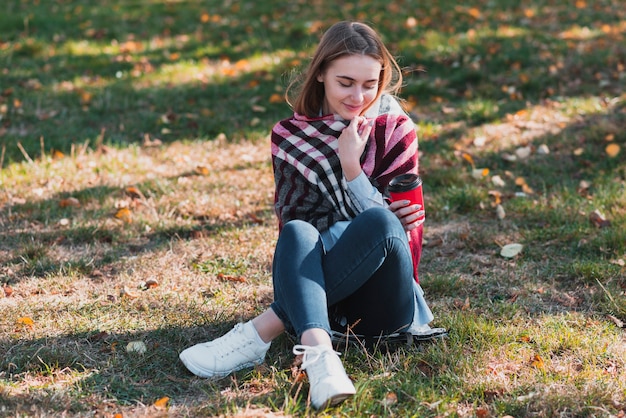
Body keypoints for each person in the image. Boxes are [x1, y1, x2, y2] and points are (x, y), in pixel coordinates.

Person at [179, 21, 443, 410]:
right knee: (300, 230)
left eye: (370, 84)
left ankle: (260, 331)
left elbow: (399, 234)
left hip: (384, 305)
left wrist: (352, 168)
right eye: (345, 82)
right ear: (321, 74)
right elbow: (297, 222)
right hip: (325, 303)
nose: (359, 96)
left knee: (381, 223)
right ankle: (321, 356)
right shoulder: (290, 137)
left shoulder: (394, 129)